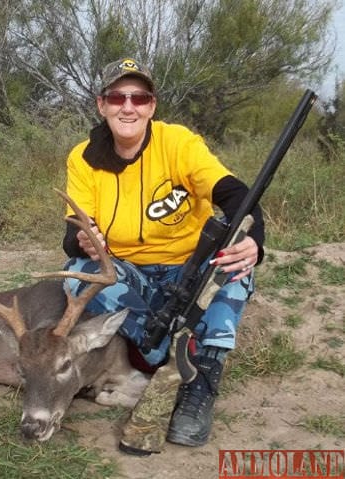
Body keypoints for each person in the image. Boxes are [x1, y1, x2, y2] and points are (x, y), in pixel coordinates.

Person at [61, 57, 264, 447]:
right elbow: (74, 232)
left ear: (151, 106)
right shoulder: (82, 157)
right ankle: (161, 353)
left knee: (234, 265)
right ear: (101, 105)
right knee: (77, 272)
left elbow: (236, 195)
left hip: (187, 267)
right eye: (117, 96)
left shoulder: (179, 143)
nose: (128, 106)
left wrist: (256, 241)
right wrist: (84, 239)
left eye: (139, 97)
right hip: (129, 270)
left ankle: (200, 383)